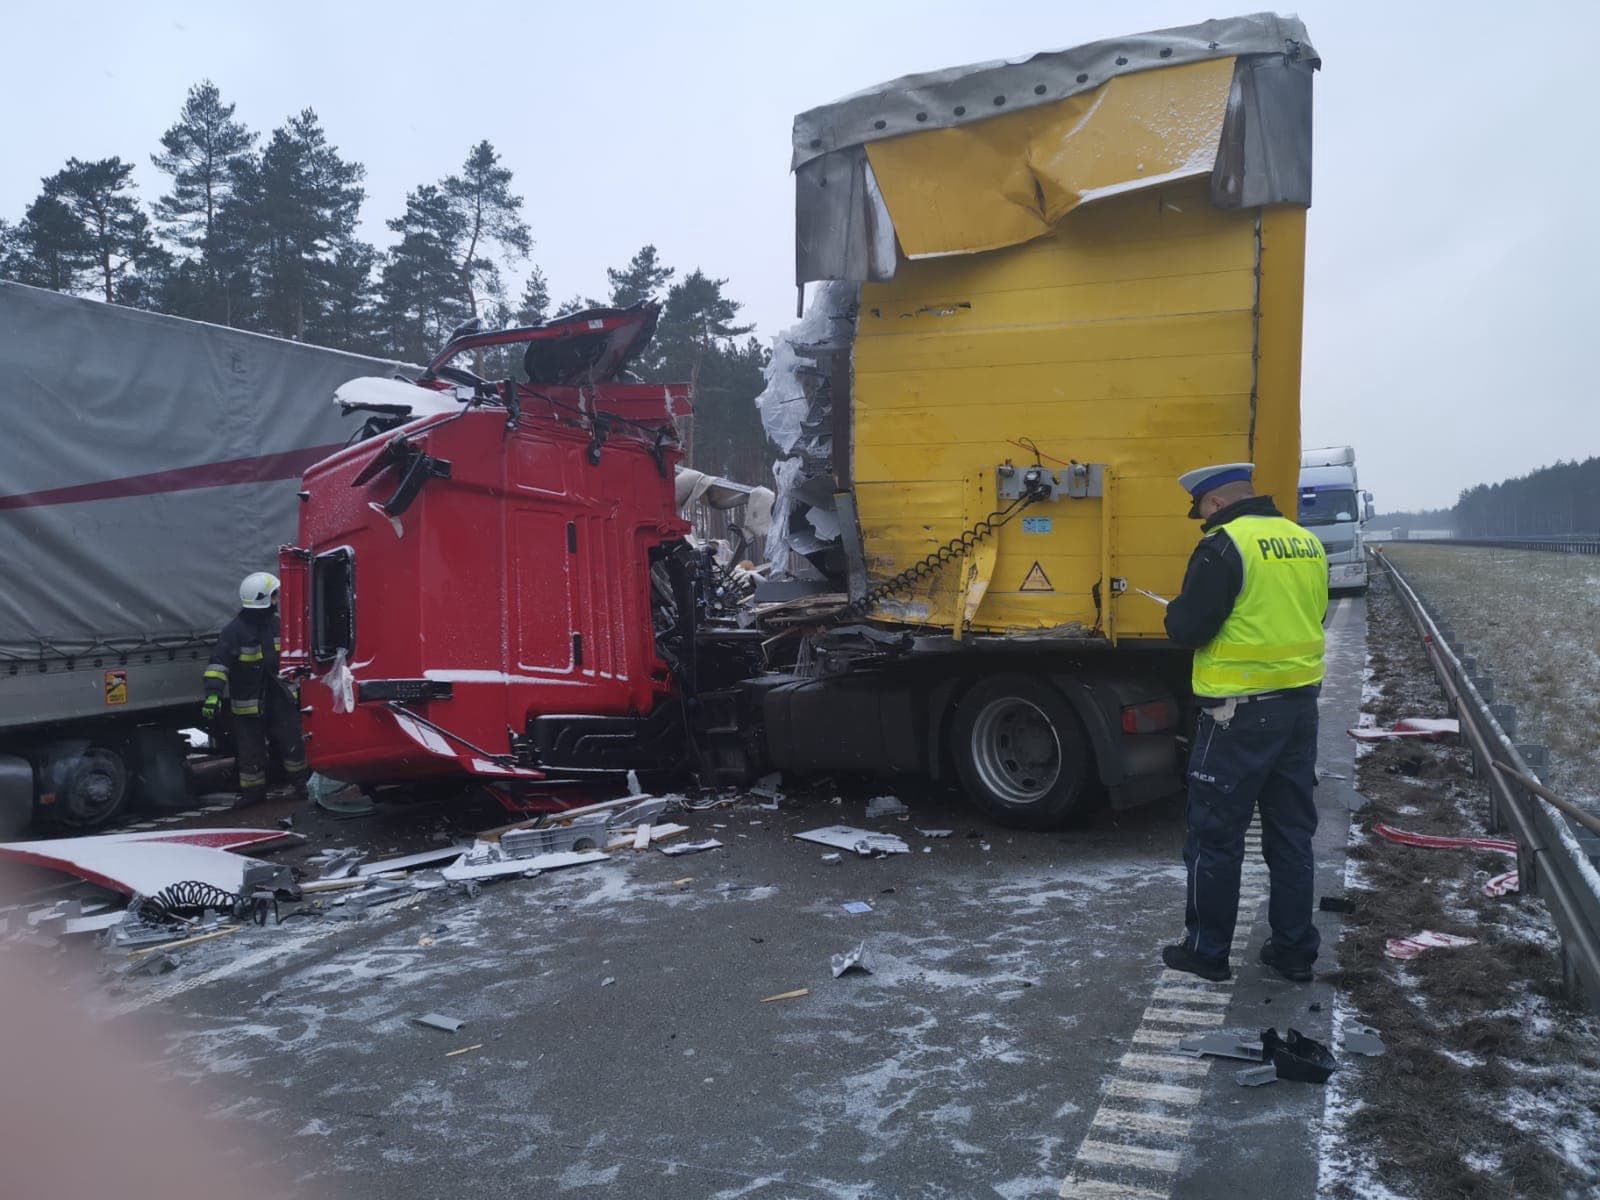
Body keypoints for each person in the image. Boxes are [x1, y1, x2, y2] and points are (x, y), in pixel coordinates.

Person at [1159, 463, 1328, 983]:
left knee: (1215, 836)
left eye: (1201, 514)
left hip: (1237, 714)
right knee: (1291, 834)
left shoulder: (1225, 546)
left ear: (1213, 505)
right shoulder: (1305, 543)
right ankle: (1294, 949)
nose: (1203, 524)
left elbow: (1189, 628)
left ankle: (1208, 951)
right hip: (1299, 708)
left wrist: (1174, 612)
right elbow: (1309, 616)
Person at [202, 572, 309, 808]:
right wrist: (213, 694)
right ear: (263, 599)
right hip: (249, 703)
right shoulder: (234, 632)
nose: (277, 599)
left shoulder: (278, 625)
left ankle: (303, 784)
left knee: (292, 742)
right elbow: (218, 665)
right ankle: (253, 794)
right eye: (273, 596)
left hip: (279, 698)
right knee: (251, 750)